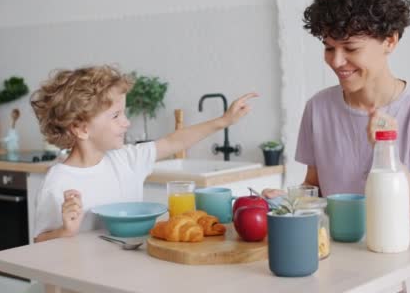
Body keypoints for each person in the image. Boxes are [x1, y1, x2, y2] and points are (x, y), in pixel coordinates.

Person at [264, 0, 410, 232]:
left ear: (390, 41)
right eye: (329, 48)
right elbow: (316, 191)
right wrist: (287, 201)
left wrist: (387, 155)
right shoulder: (318, 108)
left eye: (350, 48)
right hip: (334, 258)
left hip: (404, 264)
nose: (336, 61)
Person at [30, 65, 257, 242]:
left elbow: (174, 141)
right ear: (81, 128)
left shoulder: (127, 159)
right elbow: (40, 241)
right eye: (116, 115)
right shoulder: (59, 180)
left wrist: (223, 121)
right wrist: (65, 231)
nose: (126, 123)